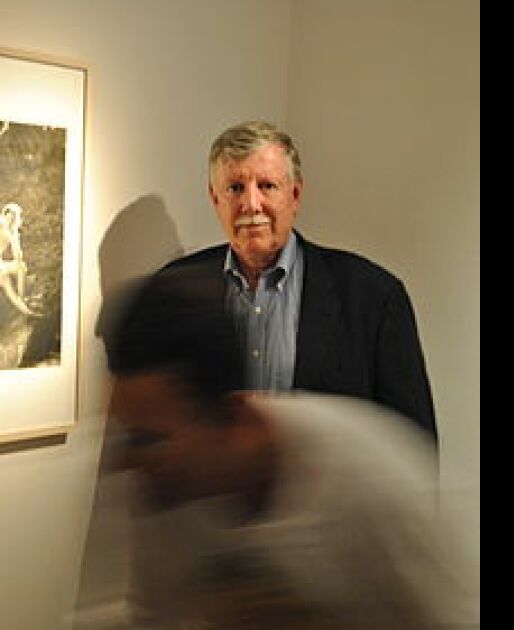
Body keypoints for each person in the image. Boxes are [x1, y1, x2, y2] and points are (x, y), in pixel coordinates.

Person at [101, 268, 470, 628]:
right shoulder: (164, 495)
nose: (127, 463)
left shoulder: (375, 480)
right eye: (126, 436)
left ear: (231, 415)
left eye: (147, 440)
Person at [158, 121, 436, 437]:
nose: (251, 204)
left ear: (295, 194)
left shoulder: (373, 297)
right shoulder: (173, 289)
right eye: (235, 188)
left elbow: (414, 444)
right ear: (214, 198)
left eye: (267, 186)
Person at [1, 202, 37, 316]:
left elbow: (18, 255)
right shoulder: (1, 224)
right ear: (4, 214)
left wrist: (15, 236)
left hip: (1, 264)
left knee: (9, 286)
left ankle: (25, 309)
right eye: (8, 214)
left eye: (13, 216)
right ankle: (23, 301)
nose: (9, 218)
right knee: (19, 269)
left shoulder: (12, 231)